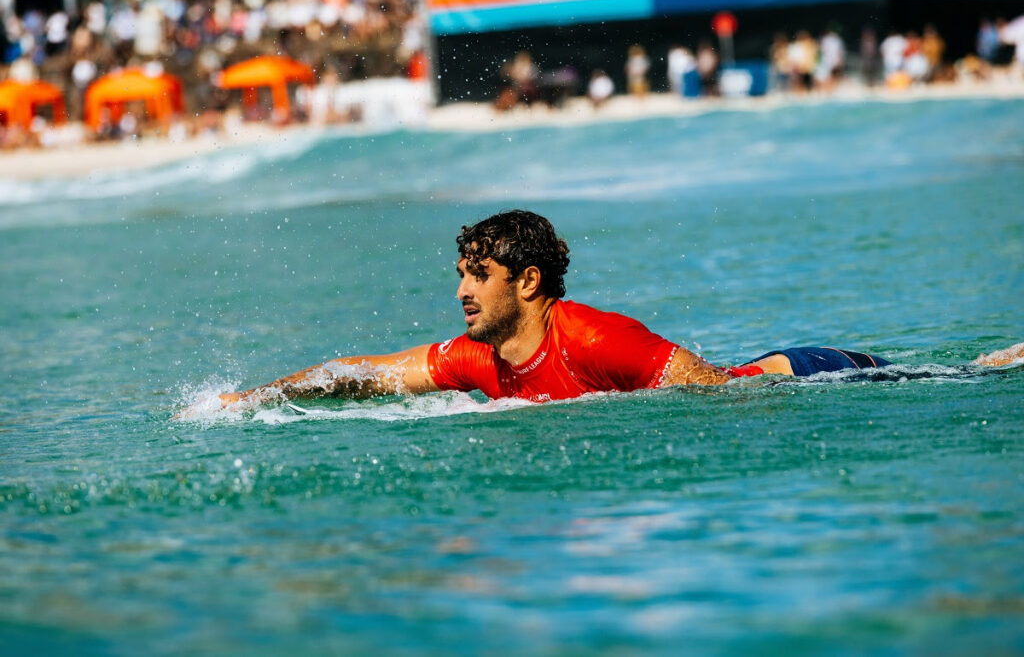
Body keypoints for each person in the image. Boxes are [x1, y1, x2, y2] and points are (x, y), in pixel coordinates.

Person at [205, 211, 1024, 414]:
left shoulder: (599, 337)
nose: (462, 292)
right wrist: (256, 399)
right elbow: (365, 375)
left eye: (478, 276)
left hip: (796, 374)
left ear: (527, 283)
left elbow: (723, 396)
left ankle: (993, 362)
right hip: (752, 375)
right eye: (460, 275)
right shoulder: (475, 356)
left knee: (944, 373)